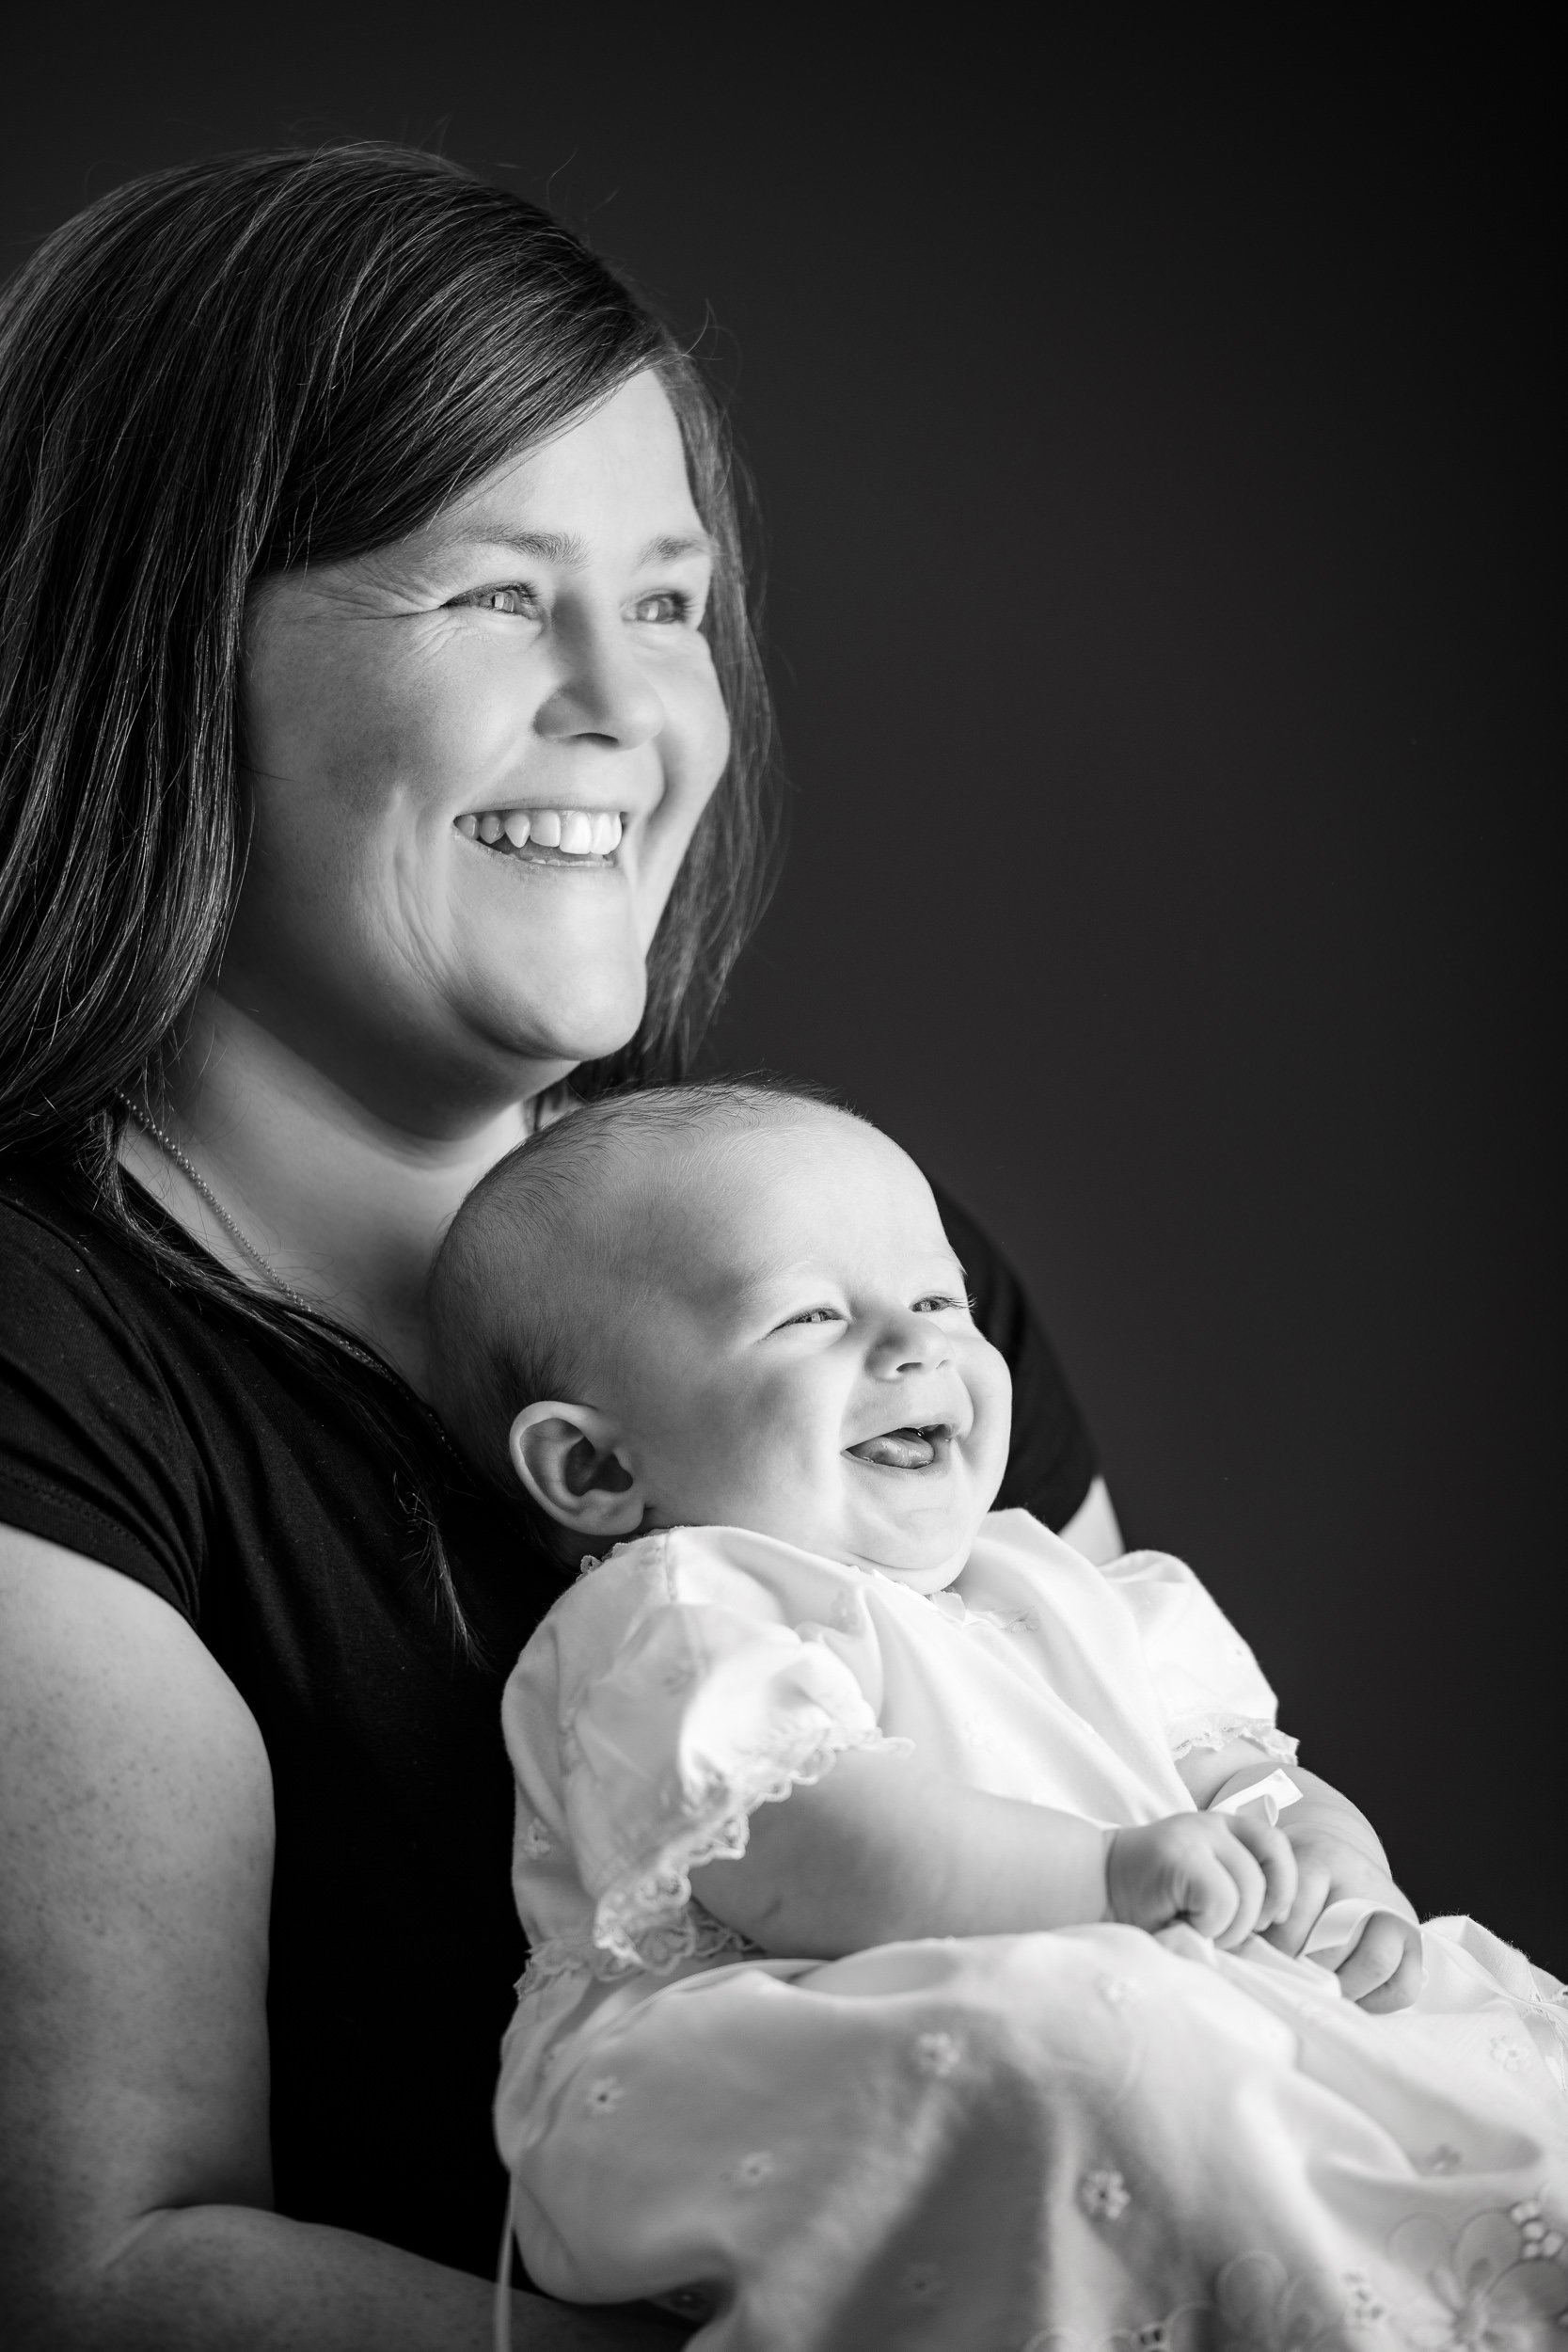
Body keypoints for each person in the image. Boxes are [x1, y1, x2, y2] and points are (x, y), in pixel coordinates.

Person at [0, 148, 1114, 2348]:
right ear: (159, 647)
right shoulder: (49, 1359)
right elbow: (97, 2268)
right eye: (497, 594)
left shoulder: (888, 1263)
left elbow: (1144, 1871)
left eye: (672, 598)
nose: (630, 703)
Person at [427, 1081, 1568, 2349]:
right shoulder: (684, 1609)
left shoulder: (1076, 1590)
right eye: (809, 1316)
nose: (912, 1349)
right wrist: (1109, 1871)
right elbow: (811, 1851)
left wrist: (1330, 1866)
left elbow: (1246, 1775)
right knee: (1081, 2048)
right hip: (820, 2029)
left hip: (1154, 1968)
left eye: (936, 1301)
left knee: (1462, 2041)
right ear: (597, 1467)